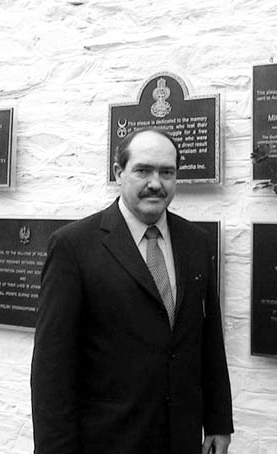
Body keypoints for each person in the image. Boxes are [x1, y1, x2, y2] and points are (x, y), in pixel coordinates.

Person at [30, 128, 233, 454]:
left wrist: (219, 422)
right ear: (118, 173)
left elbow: (209, 340)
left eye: (167, 172)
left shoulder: (196, 243)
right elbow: (51, 370)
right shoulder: (73, 247)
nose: (156, 182)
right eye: (143, 170)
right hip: (107, 440)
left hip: (181, 438)